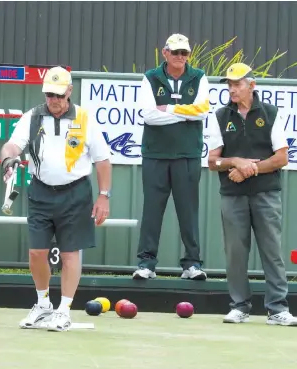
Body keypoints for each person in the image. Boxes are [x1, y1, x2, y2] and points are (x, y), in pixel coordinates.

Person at [0, 66, 111, 332]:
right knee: (37, 252)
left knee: (71, 254)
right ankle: (43, 305)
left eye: (59, 94)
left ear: (70, 91)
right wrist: (9, 159)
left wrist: (103, 196)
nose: (54, 100)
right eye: (49, 94)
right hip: (40, 192)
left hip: (76, 193)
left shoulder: (85, 118)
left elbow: (103, 160)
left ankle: (64, 309)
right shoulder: (33, 117)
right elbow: (12, 145)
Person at [208, 63, 297, 326]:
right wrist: (235, 161)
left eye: (238, 84)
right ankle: (239, 306)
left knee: (271, 250)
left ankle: (278, 308)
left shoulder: (270, 113)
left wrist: (250, 169)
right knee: (235, 251)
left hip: (266, 193)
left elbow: (281, 157)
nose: (233, 89)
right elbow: (213, 161)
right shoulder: (220, 115)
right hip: (232, 195)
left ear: (252, 85)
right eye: (230, 85)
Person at [133, 34, 210, 281]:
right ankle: (146, 263)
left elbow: (201, 113)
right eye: (175, 52)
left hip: (188, 154)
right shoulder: (150, 77)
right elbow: (147, 115)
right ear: (164, 52)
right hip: (155, 154)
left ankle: (192, 264)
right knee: (152, 210)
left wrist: (167, 108)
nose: (179, 57)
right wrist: (184, 113)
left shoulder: (199, 77)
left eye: (184, 53)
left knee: (188, 211)